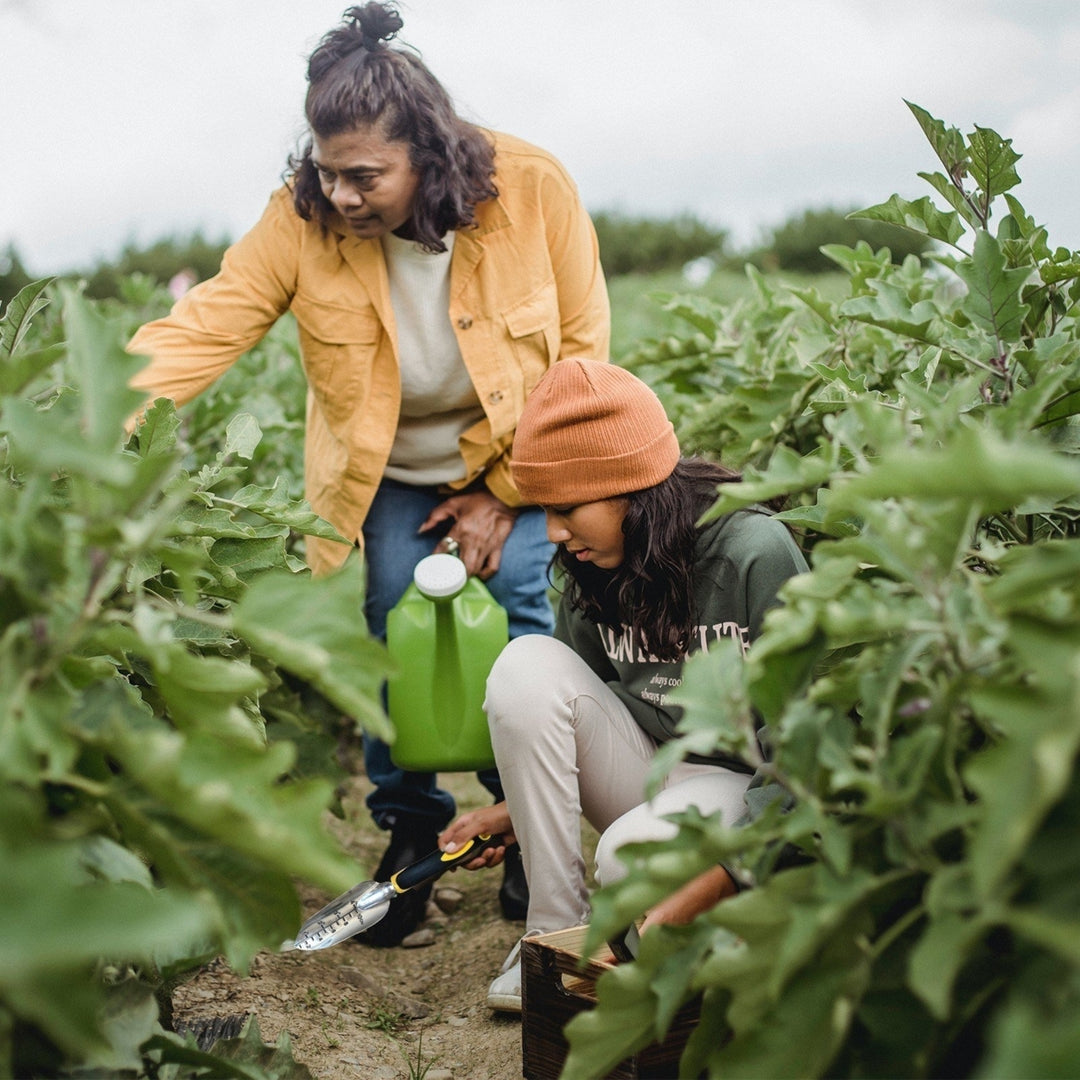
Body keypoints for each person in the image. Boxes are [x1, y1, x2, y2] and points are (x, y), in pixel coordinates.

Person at [125, 2, 610, 946]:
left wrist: (503, 493)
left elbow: (584, 351)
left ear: (426, 152)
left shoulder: (534, 188)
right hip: (386, 472)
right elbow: (207, 324)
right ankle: (410, 846)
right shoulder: (300, 221)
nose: (341, 194)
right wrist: (98, 423)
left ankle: (531, 835)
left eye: (364, 176)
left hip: (511, 462)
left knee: (522, 629)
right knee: (392, 640)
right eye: (325, 169)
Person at [438, 359, 809, 1012]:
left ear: (631, 487)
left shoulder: (754, 552)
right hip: (655, 769)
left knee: (630, 859)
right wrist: (518, 813)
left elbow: (806, 752)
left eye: (566, 509)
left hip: (746, 787)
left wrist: (708, 884)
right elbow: (574, 710)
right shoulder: (591, 566)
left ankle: (702, 923)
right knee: (524, 664)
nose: (553, 532)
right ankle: (553, 939)